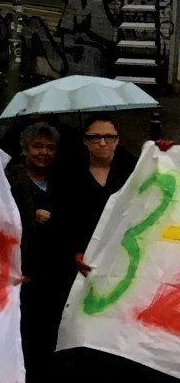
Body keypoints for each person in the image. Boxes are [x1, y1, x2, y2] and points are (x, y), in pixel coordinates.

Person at [8, 122, 67, 383]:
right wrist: (31, 216)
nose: (44, 153)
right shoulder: (11, 179)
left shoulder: (64, 179)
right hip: (23, 273)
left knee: (48, 335)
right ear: (24, 149)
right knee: (24, 335)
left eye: (50, 148)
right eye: (37, 146)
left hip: (53, 273)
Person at [56, 114, 131, 279]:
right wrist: (73, 251)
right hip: (81, 257)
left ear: (118, 140)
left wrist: (163, 153)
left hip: (124, 253)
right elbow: (62, 218)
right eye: (95, 138)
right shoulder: (68, 172)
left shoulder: (133, 169)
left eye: (109, 137)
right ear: (85, 140)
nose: (102, 143)